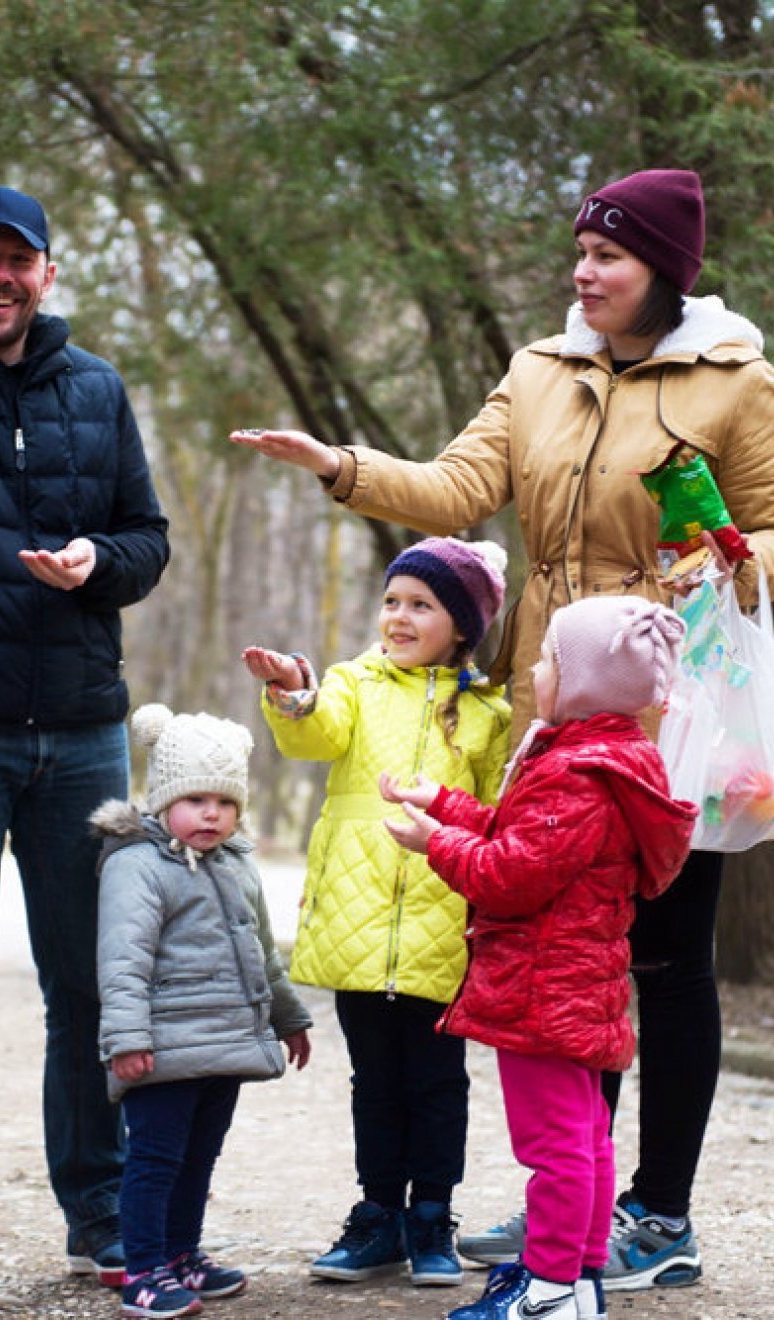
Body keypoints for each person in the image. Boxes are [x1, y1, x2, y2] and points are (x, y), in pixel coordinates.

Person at [229, 166, 774, 1290]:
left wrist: (723, 560)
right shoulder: (539, 371)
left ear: (664, 268)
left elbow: (771, 533)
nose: (582, 273)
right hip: (552, 702)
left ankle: (658, 1216)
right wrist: (339, 466)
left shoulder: (735, 383)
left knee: (663, 962)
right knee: (575, 962)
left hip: (669, 708)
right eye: (578, 254)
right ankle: (571, 1208)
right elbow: (454, 486)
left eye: (606, 256)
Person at [0, 186, 170, 1309]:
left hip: (81, 731)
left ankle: (101, 1219)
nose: (1, 279)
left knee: (91, 993)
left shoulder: (95, 388)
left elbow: (147, 541)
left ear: (48, 274)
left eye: (22, 261)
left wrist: (95, 565)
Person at [382, 596, 698, 1320]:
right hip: (576, 983)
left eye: (550, 659)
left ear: (585, 682)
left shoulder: (574, 772)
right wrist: (446, 803)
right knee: (585, 1138)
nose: (534, 667)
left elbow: (508, 876)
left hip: (540, 988)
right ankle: (579, 1280)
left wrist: (434, 844)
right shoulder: (606, 760)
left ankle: (549, 1289)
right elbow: (525, 835)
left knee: (555, 1147)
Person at [242, 536, 512, 1289]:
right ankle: (377, 1215)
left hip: (442, 925)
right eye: (392, 600)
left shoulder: (488, 710)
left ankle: (431, 1214)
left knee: (436, 1080)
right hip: (358, 922)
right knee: (374, 1080)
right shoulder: (354, 682)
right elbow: (313, 732)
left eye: (421, 605)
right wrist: (293, 693)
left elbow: (496, 815)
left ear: (461, 623)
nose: (398, 616)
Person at [93, 705, 312, 1318]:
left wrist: (288, 1016)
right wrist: (128, 1037)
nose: (211, 812)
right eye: (195, 799)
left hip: (224, 1044)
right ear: (164, 799)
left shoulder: (236, 863)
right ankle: (142, 1269)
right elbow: (122, 960)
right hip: (161, 1047)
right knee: (156, 1158)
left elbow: (260, 951)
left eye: (224, 800)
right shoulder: (137, 866)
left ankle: (182, 1254)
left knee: (199, 1155)